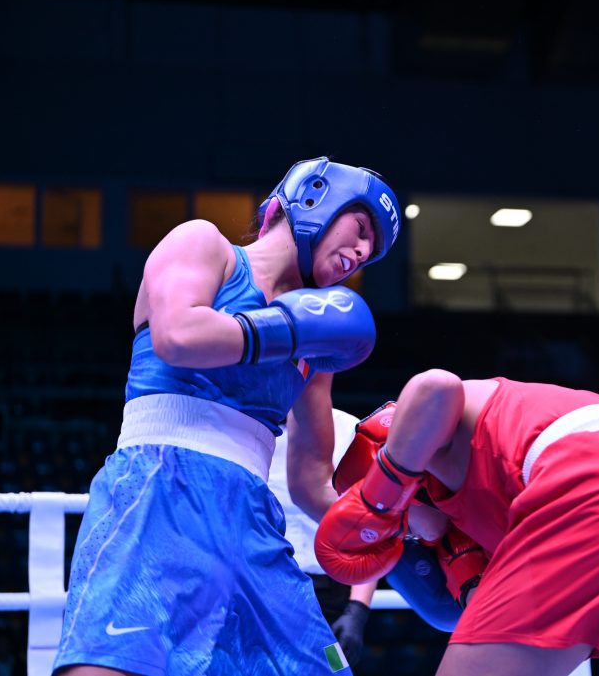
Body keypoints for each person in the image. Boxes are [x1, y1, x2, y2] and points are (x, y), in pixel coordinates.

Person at [53, 156, 401, 676]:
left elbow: (310, 480)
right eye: (361, 228)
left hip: (253, 520)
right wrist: (287, 329)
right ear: (314, 197)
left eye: (373, 249)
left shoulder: (316, 341)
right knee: (110, 665)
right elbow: (178, 336)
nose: (364, 252)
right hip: (161, 485)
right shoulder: (204, 245)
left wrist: (389, 525)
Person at [316, 370, 599, 676]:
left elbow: (434, 386)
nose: (412, 536)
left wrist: (380, 499)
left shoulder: (426, 443)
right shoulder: (485, 504)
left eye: (404, 527)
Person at [265, 408, 377, 667]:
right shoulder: (250, 429)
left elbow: (373, 528)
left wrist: (357, 610)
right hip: (265, 589)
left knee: (334, 668)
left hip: (330, 596)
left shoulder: (351, 430)